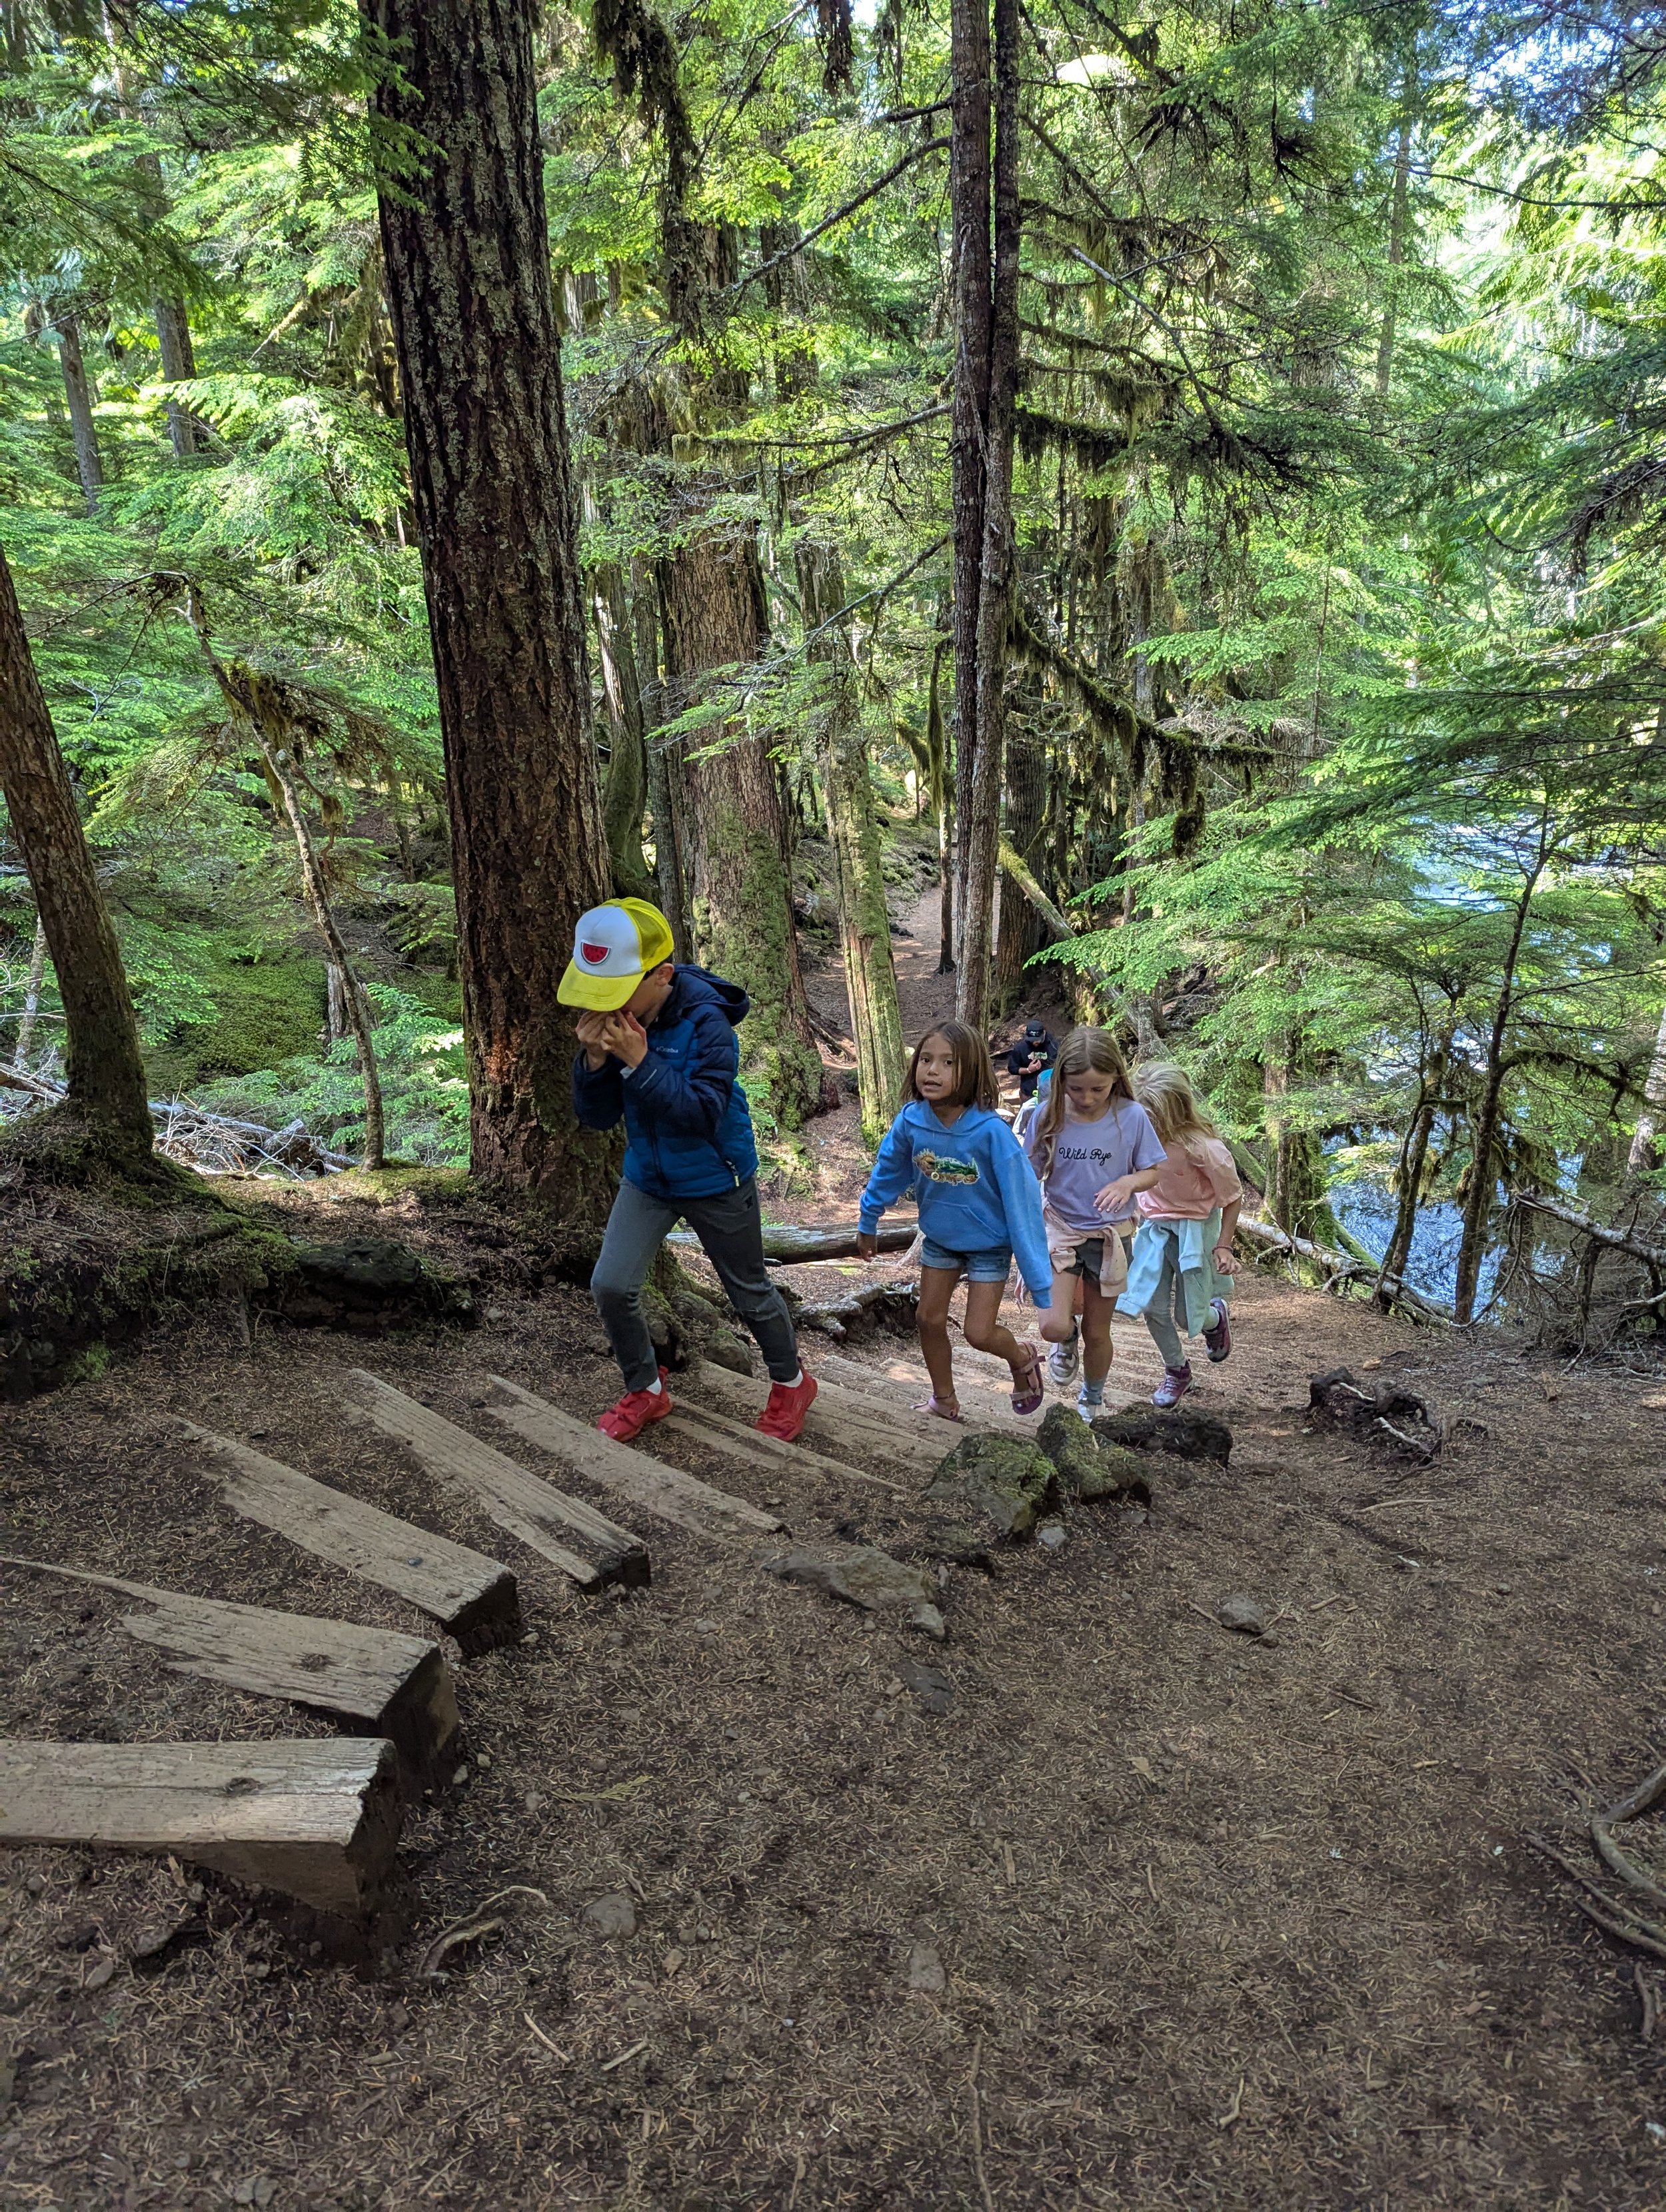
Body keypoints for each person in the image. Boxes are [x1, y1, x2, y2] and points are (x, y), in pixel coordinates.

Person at [560, 898, 818, 1443]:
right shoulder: (621, 1026)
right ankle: (646, 1388)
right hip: (647, 1178)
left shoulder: (708, 1023)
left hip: (715, 1177)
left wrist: (640, 1060)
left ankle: (792, 1382)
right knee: (610, 1284)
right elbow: (598, 1117)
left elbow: (702, 1113)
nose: (606, 1005)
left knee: (748, 1291)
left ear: (661, 976)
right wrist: (595, 1063)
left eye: (617, 989)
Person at [856, 1021, 1052, 1420]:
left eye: (948, 1063)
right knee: (927, 1319)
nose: (932, 1071)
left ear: (972, 1071)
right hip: (941, 1238)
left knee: (978, 1333)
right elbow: (888, 1169)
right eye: (926, 1060)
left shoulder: (991, 1132)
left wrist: (1039, 1281)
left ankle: (1022, 1358)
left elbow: (1023, 1200)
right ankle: (944, 1399)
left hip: (989, 1245)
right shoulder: (912, 1120)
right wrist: (868, 1218)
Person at [1023, 1028, 1167, 1416]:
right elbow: (1025, 1173)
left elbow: (1153, 1170)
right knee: (1052, 1325)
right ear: (1061, 1082)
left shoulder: (1131, 1116)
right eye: (1076, 1089)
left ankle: (1093, 1395)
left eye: (1098, 1090)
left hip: (1111, 1236)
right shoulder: (1047, 1115)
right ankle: (1065, 1338)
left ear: (1116, 1080)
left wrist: (1126, 1182)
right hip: (1061, 1228)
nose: (1086, 1099)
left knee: (1098, 1331)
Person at [1116, 1061, 1243, 1408]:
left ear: (1174, 1112)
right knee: (1152, 1306)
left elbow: (1232, 1197)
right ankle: (1176, 1369)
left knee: (1190, 1316)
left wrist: (1224, 1245)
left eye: (1153, 1117)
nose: (1146, 1125)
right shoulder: (1134, 1138)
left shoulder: (1204, 1149)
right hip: (1155, 1228)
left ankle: (1215, 1318)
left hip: (1196, 1228)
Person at [1006, 1019, 1056, 1104]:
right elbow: (1012, 1069)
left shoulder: (1054, 1046)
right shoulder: (1020, 1048)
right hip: (1028, 1095)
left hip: (1050, 1095)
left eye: (1037, 1039)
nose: (1034, 1042)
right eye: (1032, 1039)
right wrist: (1028, 1070)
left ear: (1044, 1033)